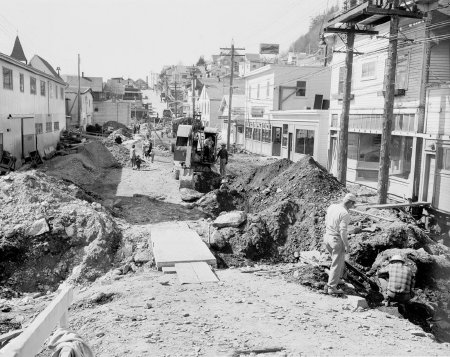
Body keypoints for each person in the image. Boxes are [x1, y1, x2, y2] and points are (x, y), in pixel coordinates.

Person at [323, 193, 357, 295]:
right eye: (352, 204)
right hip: (336, 239)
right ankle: (332, 287)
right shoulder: (345, 213)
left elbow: (326, 220)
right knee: (336, 264)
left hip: (327, 237)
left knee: (337, 260)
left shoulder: (332, 206)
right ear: (350, 202)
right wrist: (347, 245)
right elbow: (343, 231)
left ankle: (336, 279)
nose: (352, 207)